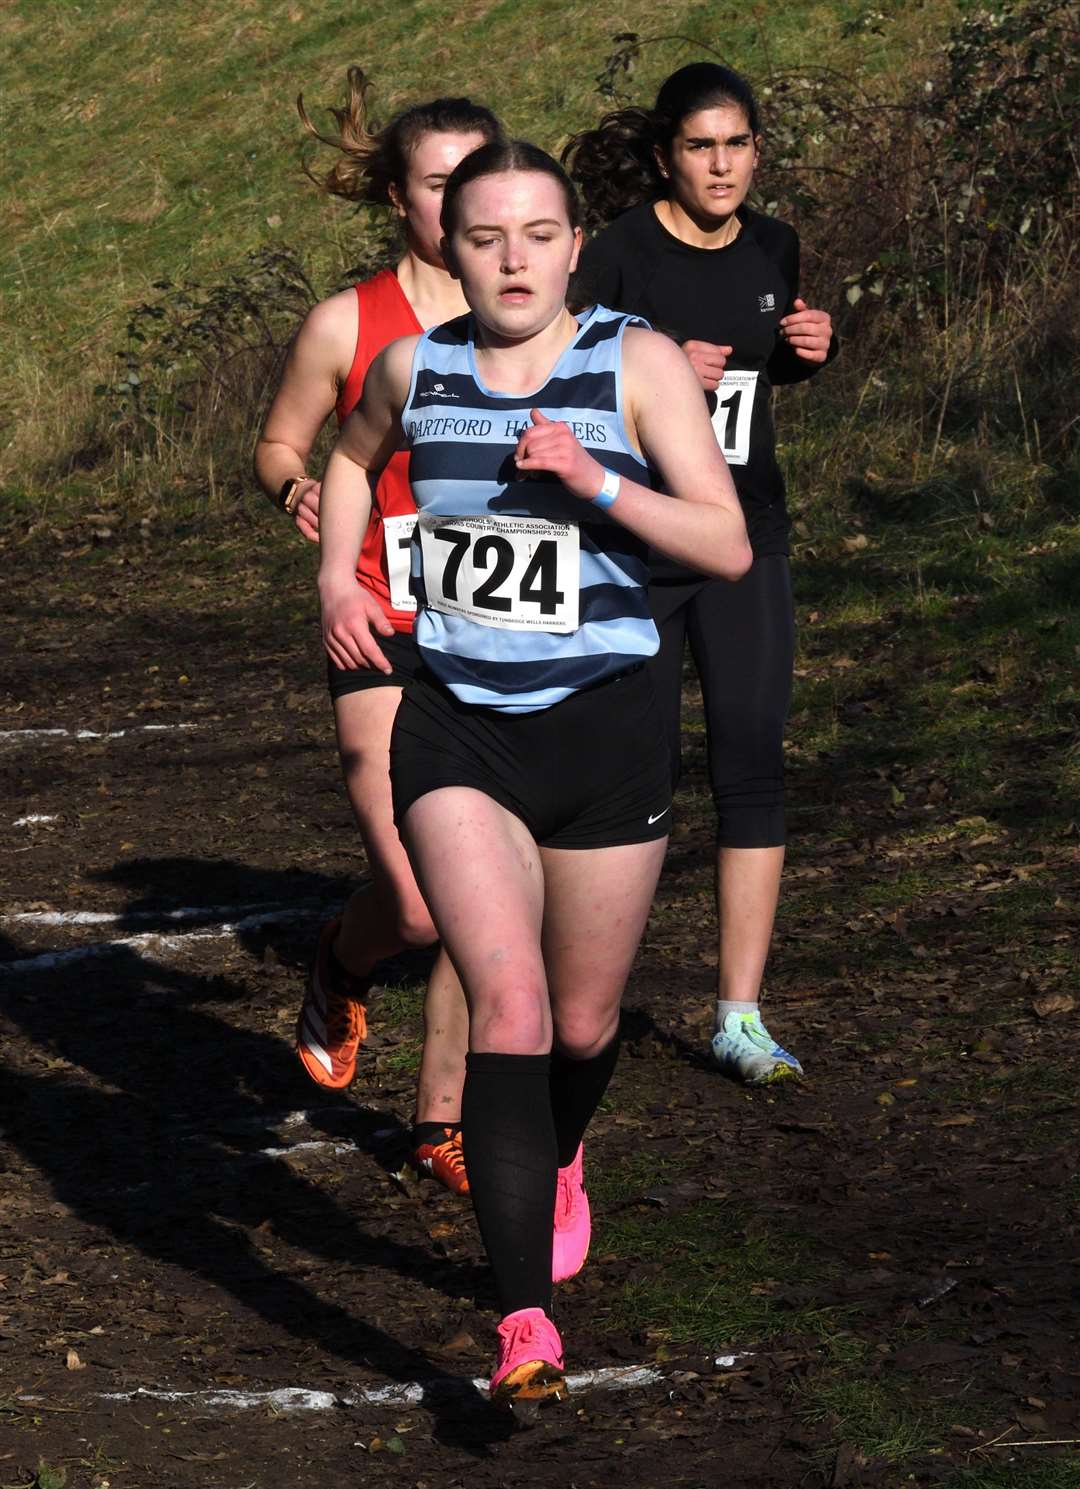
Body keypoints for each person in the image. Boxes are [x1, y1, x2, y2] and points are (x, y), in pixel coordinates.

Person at [316, 140, 752, 1409]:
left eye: (537, 235)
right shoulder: (415, 366)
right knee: (505, 1004)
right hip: (459, 731)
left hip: (608, 733)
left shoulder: (635, 361)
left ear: (575, 245)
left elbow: (722, 542)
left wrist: (592, 478)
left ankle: (559, 1157)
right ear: (448, 248)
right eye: (485, 236)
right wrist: (338, 577)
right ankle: (524, 1322)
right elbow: (350, 457)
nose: (512, 258)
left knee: (579, 1025)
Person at [254, 69, 503, 1194]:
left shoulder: (532, 314)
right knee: (411, 898)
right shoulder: (347, 322)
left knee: (475, 892)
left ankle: (441, 1122)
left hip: (491, 622)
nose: (459, 208)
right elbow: (278, 445)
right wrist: (295, 489)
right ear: (400, 200)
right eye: (437, 186)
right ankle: (340, 959)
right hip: (375, 611)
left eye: (476, 182)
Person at [564, 63, 836, 1086]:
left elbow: (766, 366)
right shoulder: (622, 253)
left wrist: (812, 348)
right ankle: (576, 993)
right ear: (666, 155)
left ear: (757, 149)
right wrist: (653, 370)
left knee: (752, 758)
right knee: (624, 773)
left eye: (736, 144)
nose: (720, 164)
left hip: (745, 533)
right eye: (699, 146)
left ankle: (739, 1014)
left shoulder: (774, 245)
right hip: (634, 542)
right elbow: (559, 371)